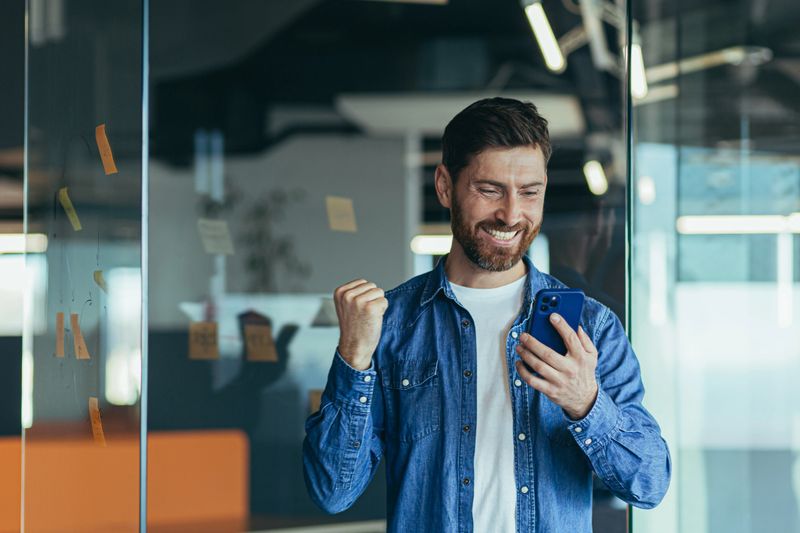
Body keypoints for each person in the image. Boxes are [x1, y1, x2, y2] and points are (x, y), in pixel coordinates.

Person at [303, 97, 670, 532]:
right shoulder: (392, 325)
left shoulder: (592, 328)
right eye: (490, 190)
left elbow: (649, 484)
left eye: (529, 192)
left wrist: (585, 402)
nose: (511, 214)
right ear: (445, 186)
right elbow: (333, 490)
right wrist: (353, 357)